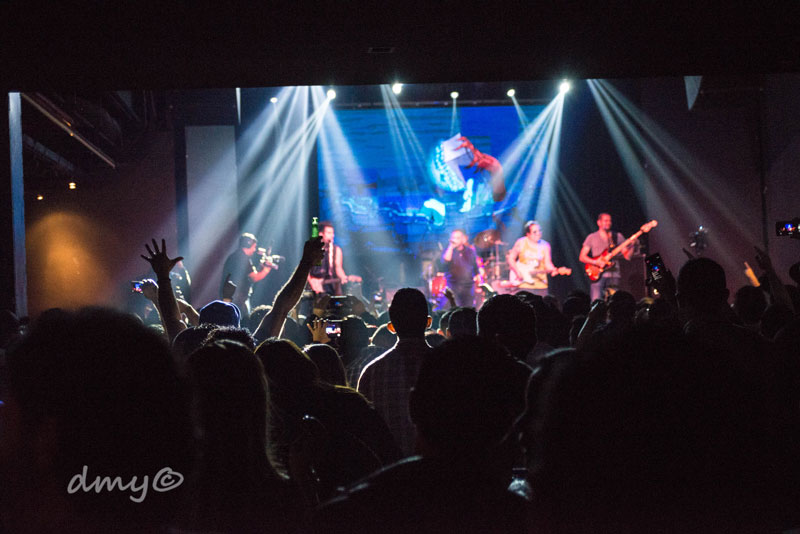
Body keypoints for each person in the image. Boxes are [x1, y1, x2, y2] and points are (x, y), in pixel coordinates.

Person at [357, 288, 432, 457]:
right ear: (428, 322)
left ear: (391, 327)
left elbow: (363, 432)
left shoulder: (371, 373)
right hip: (441, 470)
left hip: (389, 469)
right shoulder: (447, 365)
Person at [579, 213, 633, 301]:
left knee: (614, 301)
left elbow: (627, 257)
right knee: (596, 300)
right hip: (596, 273)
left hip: (614, 273)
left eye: (610, 221)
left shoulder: (617, 236)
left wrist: (632, 245)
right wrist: (596, 262)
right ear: (599, 222)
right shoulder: (592, 237)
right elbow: (582, 257)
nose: (608, 223)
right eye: (605, 221)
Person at [507, 220, 570, 296]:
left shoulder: (545, 245)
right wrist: (518, 272)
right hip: (524, 284)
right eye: (535, 232)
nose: (538, 233)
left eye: (539, 230)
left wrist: (554, 270)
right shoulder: (521, 242)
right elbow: (511, 258)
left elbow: (548, 263)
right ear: (528, 234)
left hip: (541, 285)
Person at [221, 232, 275, 315]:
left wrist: (261, 267)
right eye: (254, 247)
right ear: (248, 244)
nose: (254, 250)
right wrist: (267, 269)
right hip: (237, 299)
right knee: (243, 319)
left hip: (232, 296)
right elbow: (254, 278)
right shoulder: (242, 258)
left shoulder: (236, 256)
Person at [308, 222, 359, 296]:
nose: (332, 235)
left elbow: (338, 268)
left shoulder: (336, 250)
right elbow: (305, 270)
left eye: (333, 233)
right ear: (321, 234)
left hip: (329, 287)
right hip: (313, 287)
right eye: (329, 233)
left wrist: (343, 277)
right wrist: (312, 282)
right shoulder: (312, 250)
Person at [439, 229, 483, 307]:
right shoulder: (448, 250)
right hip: (453, 286)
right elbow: (446, 260)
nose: (455, 240)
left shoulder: (470, 251)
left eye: (457, 238)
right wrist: (451, 247)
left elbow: (475, 268)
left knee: (467, 309)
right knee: (451, 308)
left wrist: (479, 283)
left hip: (468, 287)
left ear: (462, 239)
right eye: (453, 238)